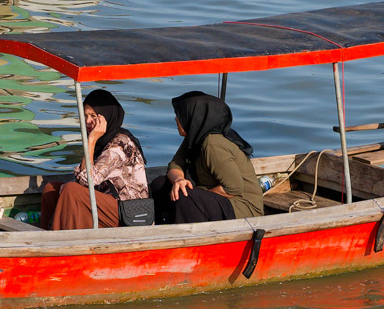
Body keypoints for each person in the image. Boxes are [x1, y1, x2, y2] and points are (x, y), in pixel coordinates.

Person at [39, 89, 149, 230]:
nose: (88, 121)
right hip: (104, 202)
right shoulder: (101, 141)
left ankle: (61, 242)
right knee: (51, 189)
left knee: (72, 191)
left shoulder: (120, 144)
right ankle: (44, 236)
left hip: (128, 212)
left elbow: (88, 182)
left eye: (93, 116)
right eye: (85, 115)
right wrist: (91, 141)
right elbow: (84, 181)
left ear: (106, 117)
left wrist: (91, 140)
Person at [163, 91, 264, 223]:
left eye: (180, 115)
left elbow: (233, 188)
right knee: (161, 184)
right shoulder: (194, 138)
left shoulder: (212, 144)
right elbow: (175, 165)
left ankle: (191, 237)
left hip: (243, 208)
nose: (176, 119)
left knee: (186, 196)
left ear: (193, 117)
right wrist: (179, 180)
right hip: (218, 197)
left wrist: (199, 196)